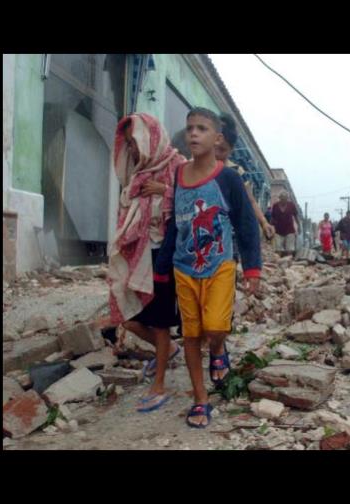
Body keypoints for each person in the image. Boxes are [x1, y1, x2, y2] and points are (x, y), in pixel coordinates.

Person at [155, 107, 262, 428]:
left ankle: (218, 349)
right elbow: (176, 222)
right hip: (184, 268)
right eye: (189, 128)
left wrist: (253, 269)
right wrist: (162, 267)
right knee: (190, 334)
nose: (193, 134)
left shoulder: (227, 177)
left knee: (215, 327)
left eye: (201, 128)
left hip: (219, 265)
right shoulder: (179, 175)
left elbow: (246, 224)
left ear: (216, 138)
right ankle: (200, 400)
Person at [106, 113, 182, 413]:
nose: (134, 149)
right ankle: (170, 351)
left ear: (151, 137)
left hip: (163, 256)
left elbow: (195, 202)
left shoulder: (177, 166)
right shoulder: (137, 172)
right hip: (136, 254)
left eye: (136, 141)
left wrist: (165, 192)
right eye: (129, 144)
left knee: (160, 323)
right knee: (128, 316)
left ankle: (160, 383)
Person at [214, 114, 275, 242]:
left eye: (222, 150)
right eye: (215, 148)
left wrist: (264, 223)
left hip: (228, 234)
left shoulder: (236, 172)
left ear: (231, 150)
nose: (217, 154)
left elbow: (251, 201)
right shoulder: (195, 168)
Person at [270, 192, 299, 257]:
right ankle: (279, 263)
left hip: (290, 230)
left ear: (287, 199)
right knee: (278, 250)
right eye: (282, 199)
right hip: (278, 230)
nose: (284, 201)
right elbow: (272, 218)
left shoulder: (291, 205)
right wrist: (271, 227)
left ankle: (289, 264)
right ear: (279, 198)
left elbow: (296, 216)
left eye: (285, 199)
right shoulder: (275, 206)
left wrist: (298, 226)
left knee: (289, 249)